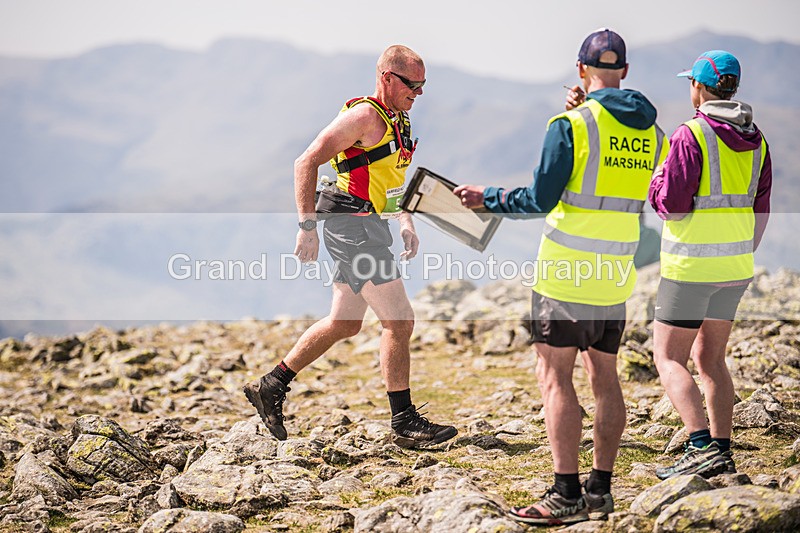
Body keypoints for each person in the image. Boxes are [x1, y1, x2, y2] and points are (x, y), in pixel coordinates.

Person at [455, 29, 667, 525]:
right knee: (605, 377)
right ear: (626, 73)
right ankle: (601, 489)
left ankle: (565, 494)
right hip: (616, 272)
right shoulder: (654, 134)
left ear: (579, 69)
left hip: (566, 273)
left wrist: (487, 197)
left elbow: (541, 198)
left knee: (555, 378)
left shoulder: (570, 125)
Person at [243, 45, 457, 449]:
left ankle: (270, 386)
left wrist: (404, 219)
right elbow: (305, 162)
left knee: (345, 323)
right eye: (414, 84)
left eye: (424, 84)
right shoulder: (362, 116)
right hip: (349, 224)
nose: (420, 93)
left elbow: (388, 179)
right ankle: (405, 422)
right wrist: (306, 227)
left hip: (370, 223)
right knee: (400, 321)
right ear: (388, 78)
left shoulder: (400, 121)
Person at [650, 50, 772, 479]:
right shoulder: (757, 140)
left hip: (690, 269)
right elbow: (761, 210)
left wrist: (656, 181)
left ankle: (700, 445)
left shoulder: (691, 135)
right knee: (712, 360)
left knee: (668, 358)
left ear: (699, 87)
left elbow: (673, 205)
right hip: (734, 268)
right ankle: (722, 450)